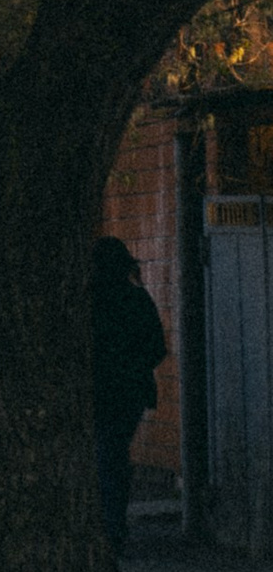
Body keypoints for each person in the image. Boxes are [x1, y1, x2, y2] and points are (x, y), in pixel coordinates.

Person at [89, 233, 167, 555]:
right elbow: (157, 348)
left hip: (98, 389)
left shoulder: (89, 301)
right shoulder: (137, 299)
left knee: (104, 456)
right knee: (113, 456)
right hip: (129, 390)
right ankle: (114, 529)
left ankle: (109, 530)